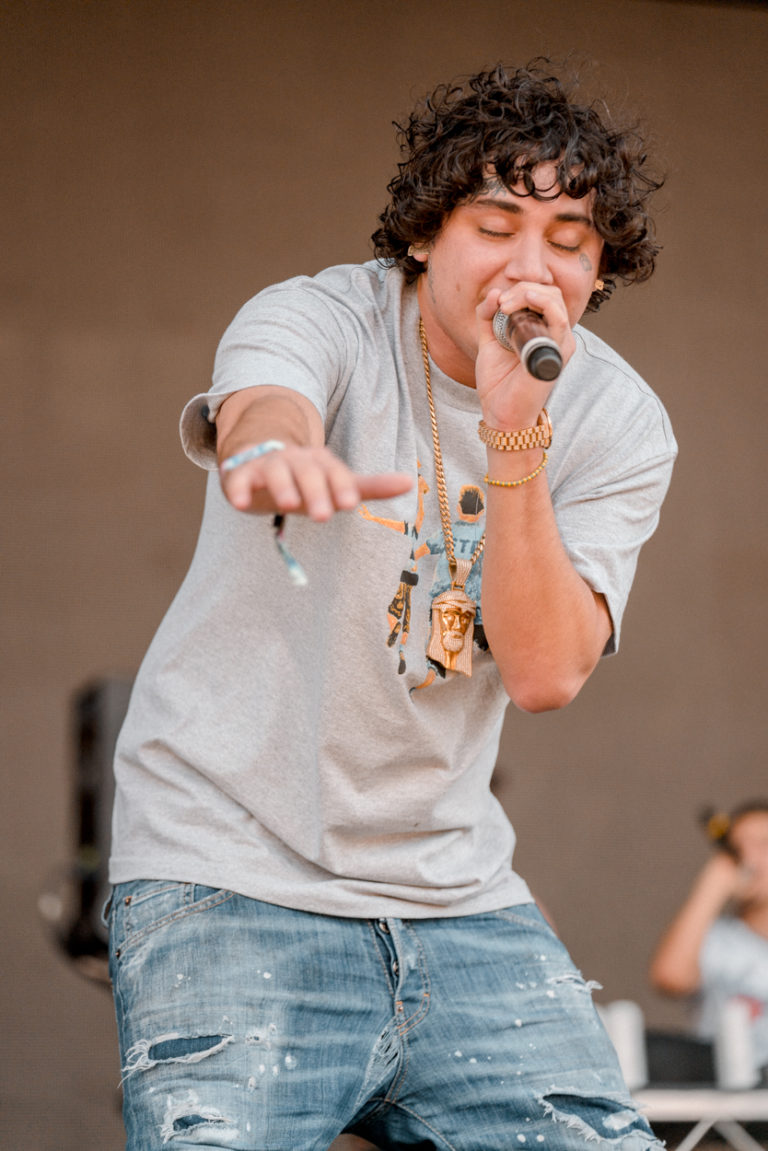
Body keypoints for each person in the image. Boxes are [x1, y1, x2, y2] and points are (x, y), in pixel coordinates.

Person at [107, 61, 677, 1150]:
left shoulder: (617, 420)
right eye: (496, 226)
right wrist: (275, 451)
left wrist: (516, 431)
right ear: (424, 234)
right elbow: (266, 401)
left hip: (458, 895)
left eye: (569, 240)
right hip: (229, 869)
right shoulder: (324, 314)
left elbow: (546, 672)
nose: (531, 265)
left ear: (600, 269)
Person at [650, 801, 768, 1080]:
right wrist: (713, 884)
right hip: (729, 1089)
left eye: (763, 844)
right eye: (736, 847)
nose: (749, 857)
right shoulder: (719, 939)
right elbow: (670, 977)